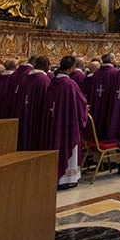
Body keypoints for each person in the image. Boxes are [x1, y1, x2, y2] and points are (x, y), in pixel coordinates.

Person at [44, 57, 87, 190]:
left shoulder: (53, 82)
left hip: (55, 122)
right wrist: (85, 109)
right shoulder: (70, 84)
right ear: (72, 68)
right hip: (68, 123)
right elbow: (81, 103)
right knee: (68, 146)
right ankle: (68, 178)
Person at [15, 56, 52, 151]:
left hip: (24, 113)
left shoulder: (25, 78)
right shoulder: (44, 80)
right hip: (37, 116)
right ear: (47, 66)